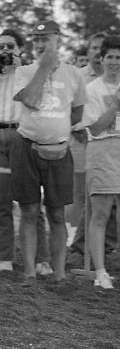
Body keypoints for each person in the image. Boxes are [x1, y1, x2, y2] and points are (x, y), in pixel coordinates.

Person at [0, 29, 51, 274]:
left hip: (21, 136)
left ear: (19, 50)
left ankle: (40, 259)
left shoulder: (27, 73)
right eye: (1, 47)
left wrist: (17, 69)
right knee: (0, 201)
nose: (5, 51)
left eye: (10, 47)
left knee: (30, 201)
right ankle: (4, 256)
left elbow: (35, 99)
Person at [12, 20, 85, 282]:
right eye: (36, 39)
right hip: (27, 146)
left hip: (59, 150)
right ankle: (30, 272)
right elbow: (29, 100)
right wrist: (43, 68)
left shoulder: (75, 74)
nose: (40, 44)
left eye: (46, 39)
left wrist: (61, 128)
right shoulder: (24, 71)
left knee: (56, 214)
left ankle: (60, 274)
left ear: (59, 40)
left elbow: (77, 112)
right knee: (29, 211)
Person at [80, 35, 120, 288]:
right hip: (102, 149)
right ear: (101, 59)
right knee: (101, 213)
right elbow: (95, 128)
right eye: (110, 57)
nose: (115, 62)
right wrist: (115, 105)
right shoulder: (91, 90)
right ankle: (100, 272)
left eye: (119, 57)